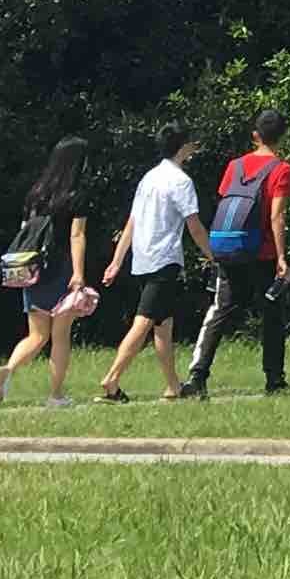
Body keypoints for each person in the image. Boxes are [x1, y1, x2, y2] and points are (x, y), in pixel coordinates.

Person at [185, 107, 290, 400]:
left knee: (220, 311)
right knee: (272, 314)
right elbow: (276, 217)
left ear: (255, 135)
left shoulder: (235, 166)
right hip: (262, 254)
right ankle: (274, 380)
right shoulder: (281, 169)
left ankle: (197, 377)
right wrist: (282, 258)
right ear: (282, 136)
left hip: (228, 248)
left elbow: (226, 204)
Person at [94, 124, 210, 404]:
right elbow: (193, 225)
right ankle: (112, 380)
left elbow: (132, 222)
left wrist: (116, 261)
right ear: (182, 147)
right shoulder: (181, 181)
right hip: (164, 259)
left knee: (163, 325)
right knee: (144, 322)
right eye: (190, 143)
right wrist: (212, 254)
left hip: (144, 258)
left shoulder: (149, 177)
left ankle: (173, 387)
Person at [0, 136, 92, 407]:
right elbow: (77, 236)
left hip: (32, 271)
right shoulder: (76, 195)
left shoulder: (36, 193)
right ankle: (56, 396)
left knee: (36, 335)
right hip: (61, 270)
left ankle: (9, 370)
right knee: (60, 337)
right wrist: (78, 274)